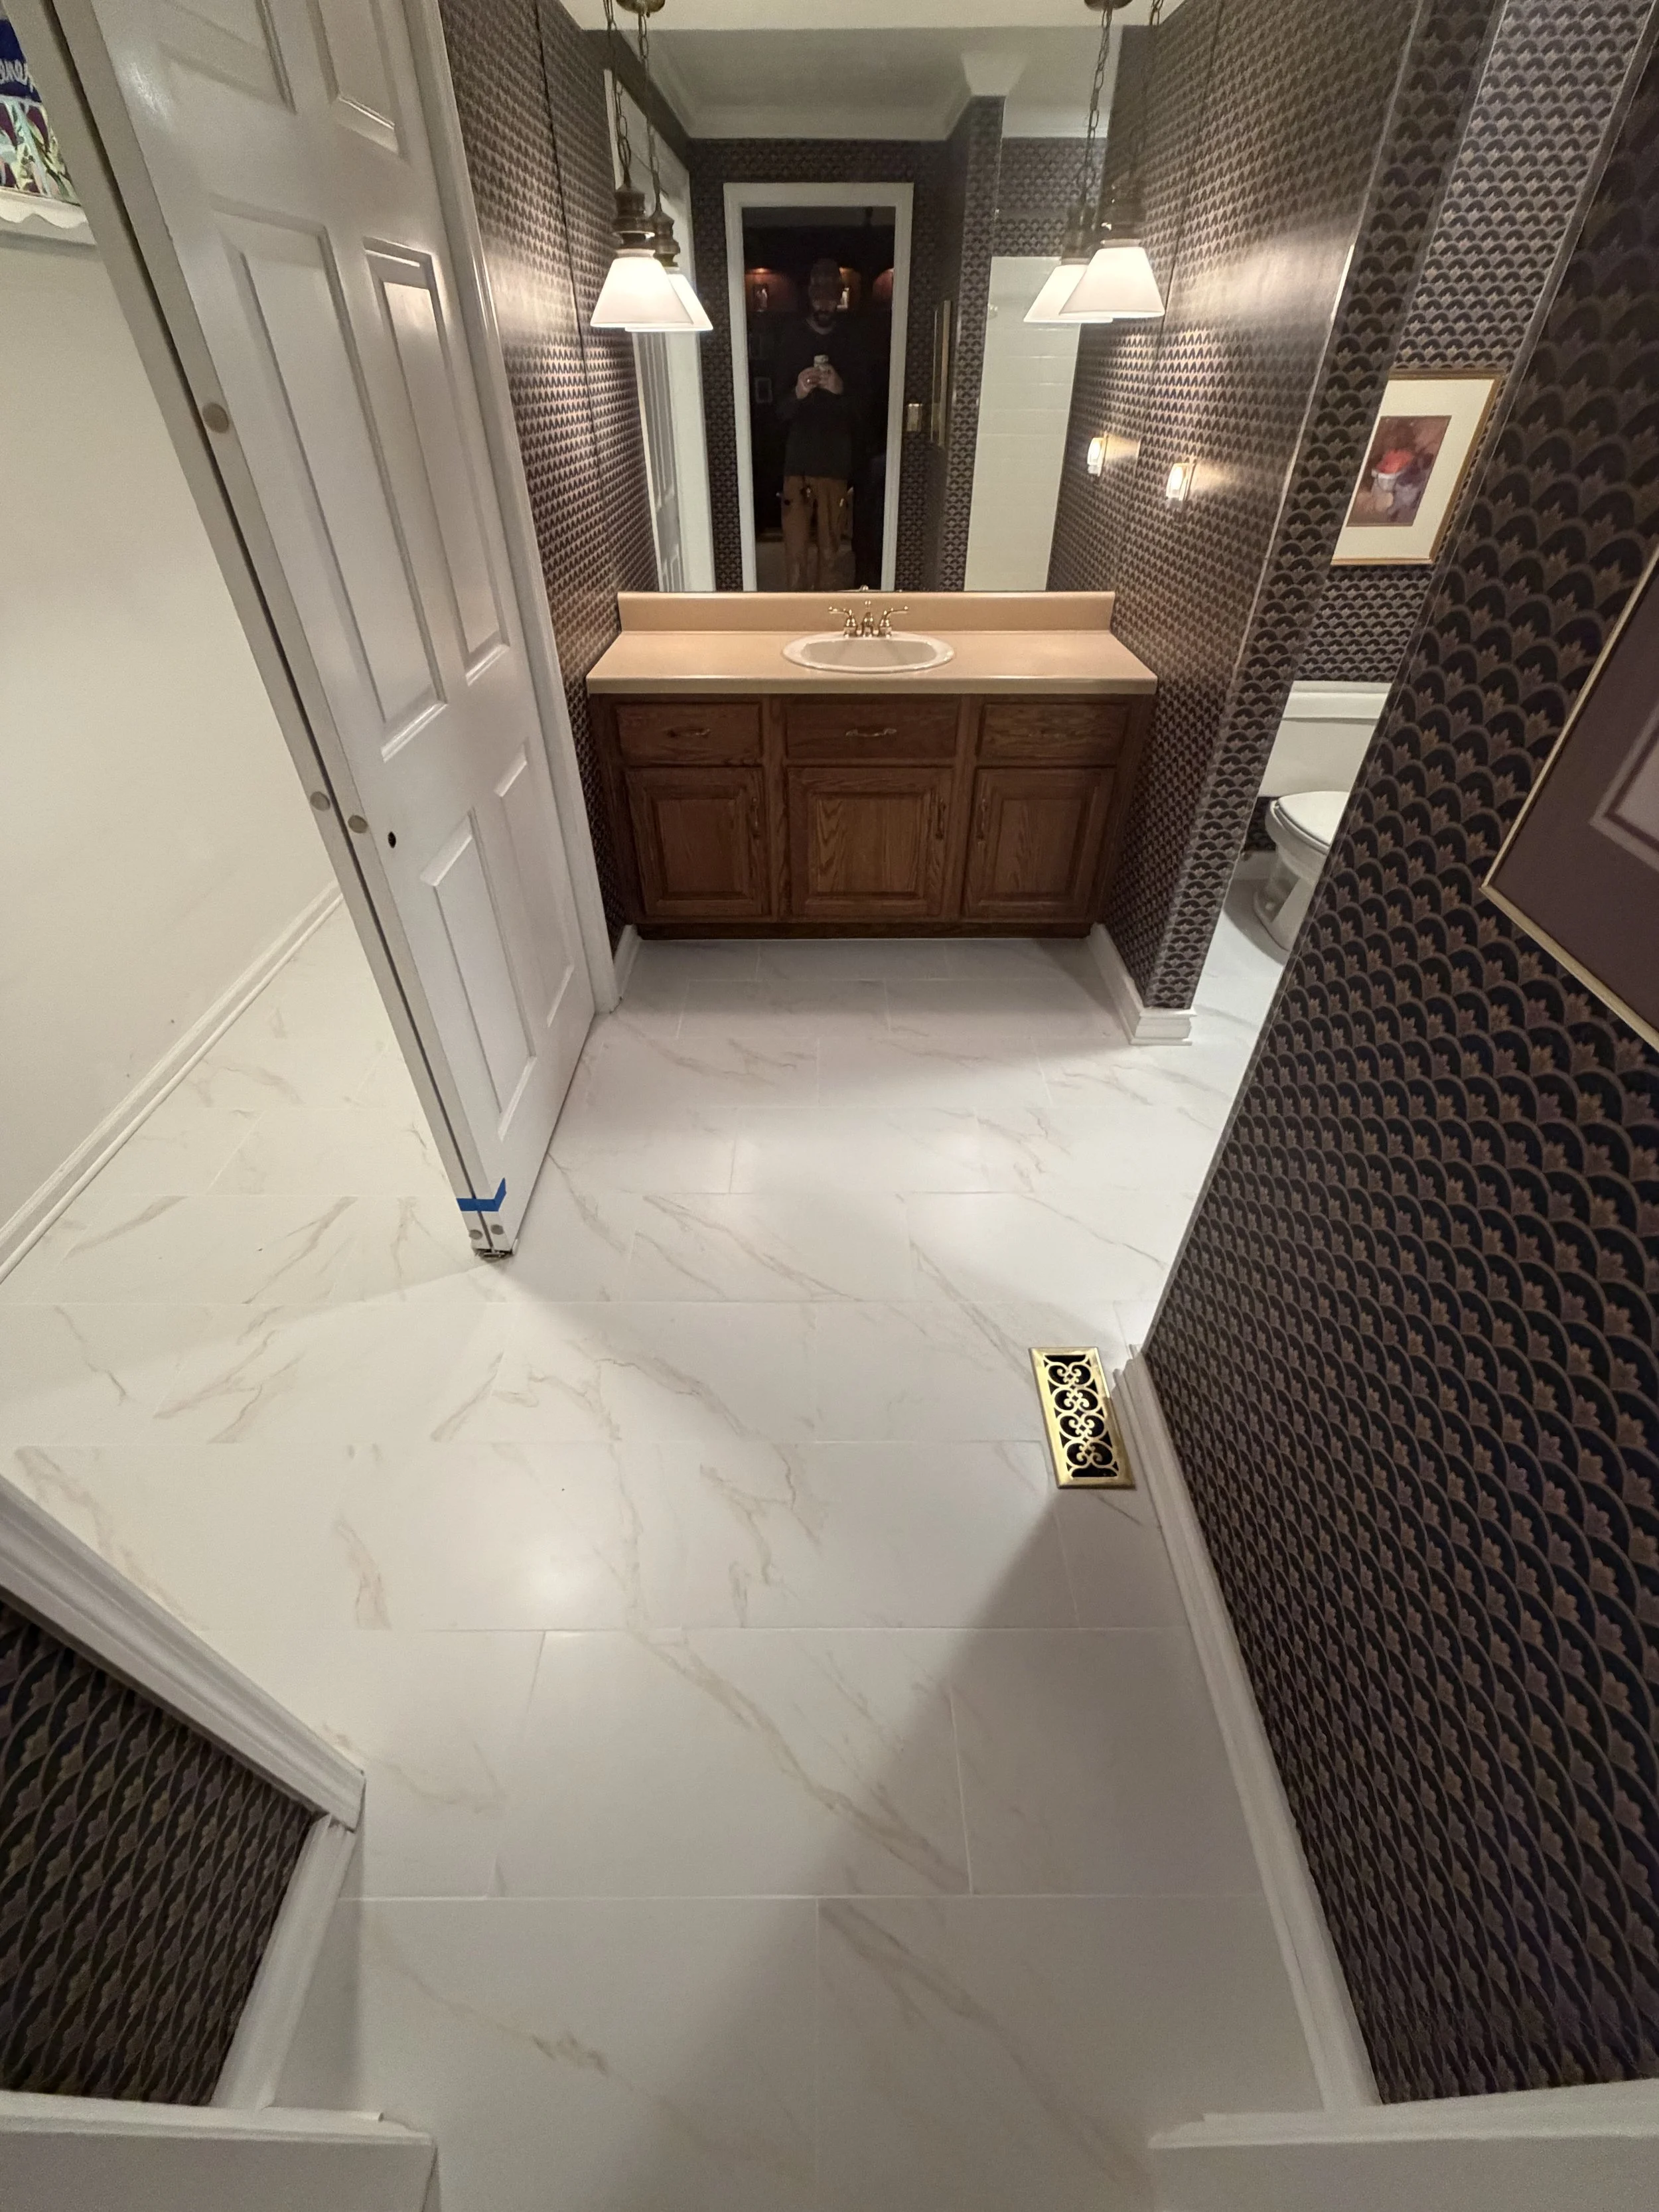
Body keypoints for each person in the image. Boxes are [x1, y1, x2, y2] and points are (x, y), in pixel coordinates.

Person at [775, 258, 871, 591]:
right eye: (819, 297)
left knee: (831, 555)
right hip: (797, 461)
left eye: (831, 297)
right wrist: (799, 391)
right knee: (795, 556)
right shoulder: (790, 339)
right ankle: (796, 623)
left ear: (840, 297)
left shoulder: (853, 341)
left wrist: (840, 389)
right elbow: (776, 411)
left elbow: (865, 410)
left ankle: (825, 622)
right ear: (810, 296)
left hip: (836, 461)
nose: (825, 304)